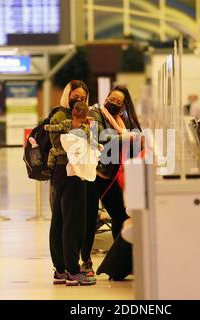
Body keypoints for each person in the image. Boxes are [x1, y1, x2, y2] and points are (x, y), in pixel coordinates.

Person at [81, 85, 143, 277]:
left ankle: (119, 266)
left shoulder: (120, 120)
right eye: (112, 99)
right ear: (106, 97)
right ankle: (89, 262)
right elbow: (100, 136)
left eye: (119, 102)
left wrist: (133, 140)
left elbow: (129, 145)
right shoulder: (95, 113)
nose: (114, 103)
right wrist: (125, 137)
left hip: (113, 174)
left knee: (120, 216)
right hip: (98, 175)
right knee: (90, 219)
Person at [48, 80, 96, 286]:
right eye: (75, 96)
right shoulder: (61, 115)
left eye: (83, 98)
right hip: (69, 171)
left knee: (61, 219)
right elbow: (57, 142)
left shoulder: (79, 116)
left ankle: (60, 269)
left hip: (67, 172)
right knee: (72, 222)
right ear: (67, 95)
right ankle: (72, 270)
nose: (79, 100)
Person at [44, 101, 101, 180]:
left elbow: (57, 128)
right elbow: (90, 140)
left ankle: (50, 168)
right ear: (85, 118)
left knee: (52, 151)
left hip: (67, 151)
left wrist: (47, 127)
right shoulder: (85, 128)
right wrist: (97, 146)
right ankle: (80, 173)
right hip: (76, 152)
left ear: (73, 114)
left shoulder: (66, 123)